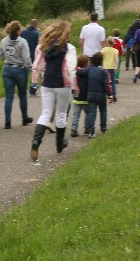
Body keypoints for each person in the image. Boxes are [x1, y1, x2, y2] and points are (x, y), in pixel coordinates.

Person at [30, 20, 78, 161]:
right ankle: (59, 144)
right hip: (62, 85)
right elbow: (70, 69)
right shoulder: (69, 48)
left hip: (47, 83)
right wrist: (75, 86)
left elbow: (36, 65)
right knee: (61, 114)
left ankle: (36, 142)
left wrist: (35, 81)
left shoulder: (44, 46)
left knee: (45, 113)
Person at [0, 20, 34, 129]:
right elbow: (26, 58)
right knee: (22, 95)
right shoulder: (22, 42)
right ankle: (24, 118)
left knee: (9, 96)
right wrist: (30, 68)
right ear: (18, 30)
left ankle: (7, 121)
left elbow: (0, 55)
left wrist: (8, 58)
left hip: (7, 69)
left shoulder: (4, 41)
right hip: (20, 70)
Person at [84, 52, 112, 136]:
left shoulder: (89, 69)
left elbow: (80, 72)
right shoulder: (104, 71)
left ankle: (91, 131)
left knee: (91, 112)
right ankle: (103, 128)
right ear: (102, 61)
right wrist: (110, 95)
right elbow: (106, 84)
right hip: (101, 93)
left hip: (90, 93)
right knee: (103, 110)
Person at [69, 54, 91, 137]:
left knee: (76, 115)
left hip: (77, 97)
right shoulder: (88, 73)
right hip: (85, 98)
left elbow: (73, 84)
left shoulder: (75, 73)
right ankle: (87, 129)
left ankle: (73, 129)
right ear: (86, 63)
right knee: (88, 114)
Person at [21, 19, 41, 95]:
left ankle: (22, 89)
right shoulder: (38, 33)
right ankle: (32, 90)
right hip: (34, 55)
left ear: (30, 23)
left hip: (24, 55)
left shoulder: (23, 33)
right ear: (36, 25)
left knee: (25, 73)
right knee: (34, 73)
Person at [101, 36, 119, 103]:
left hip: (105, 67)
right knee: (112, 82)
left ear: (107, 42)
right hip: (112, 67)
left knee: (105, 82)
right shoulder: (115, 50)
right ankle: (114, 96)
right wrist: (116, 66)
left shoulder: (104, 50)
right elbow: (116, 59)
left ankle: (106, 95)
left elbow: (100, 56)